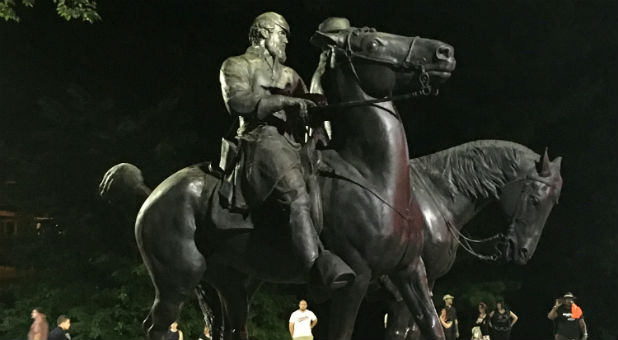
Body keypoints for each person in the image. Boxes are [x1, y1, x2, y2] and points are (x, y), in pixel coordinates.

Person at [219, 11, 354, 289]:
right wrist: (284, 102)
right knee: (296, 194)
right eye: (282, 34)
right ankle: (315, 269)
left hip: (292, 142)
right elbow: (239, 102)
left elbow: (313, 106)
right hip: (259, 139)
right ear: (263, 33)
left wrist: (320, 75)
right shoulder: (235, 65)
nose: (285, 42)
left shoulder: (290, 74)